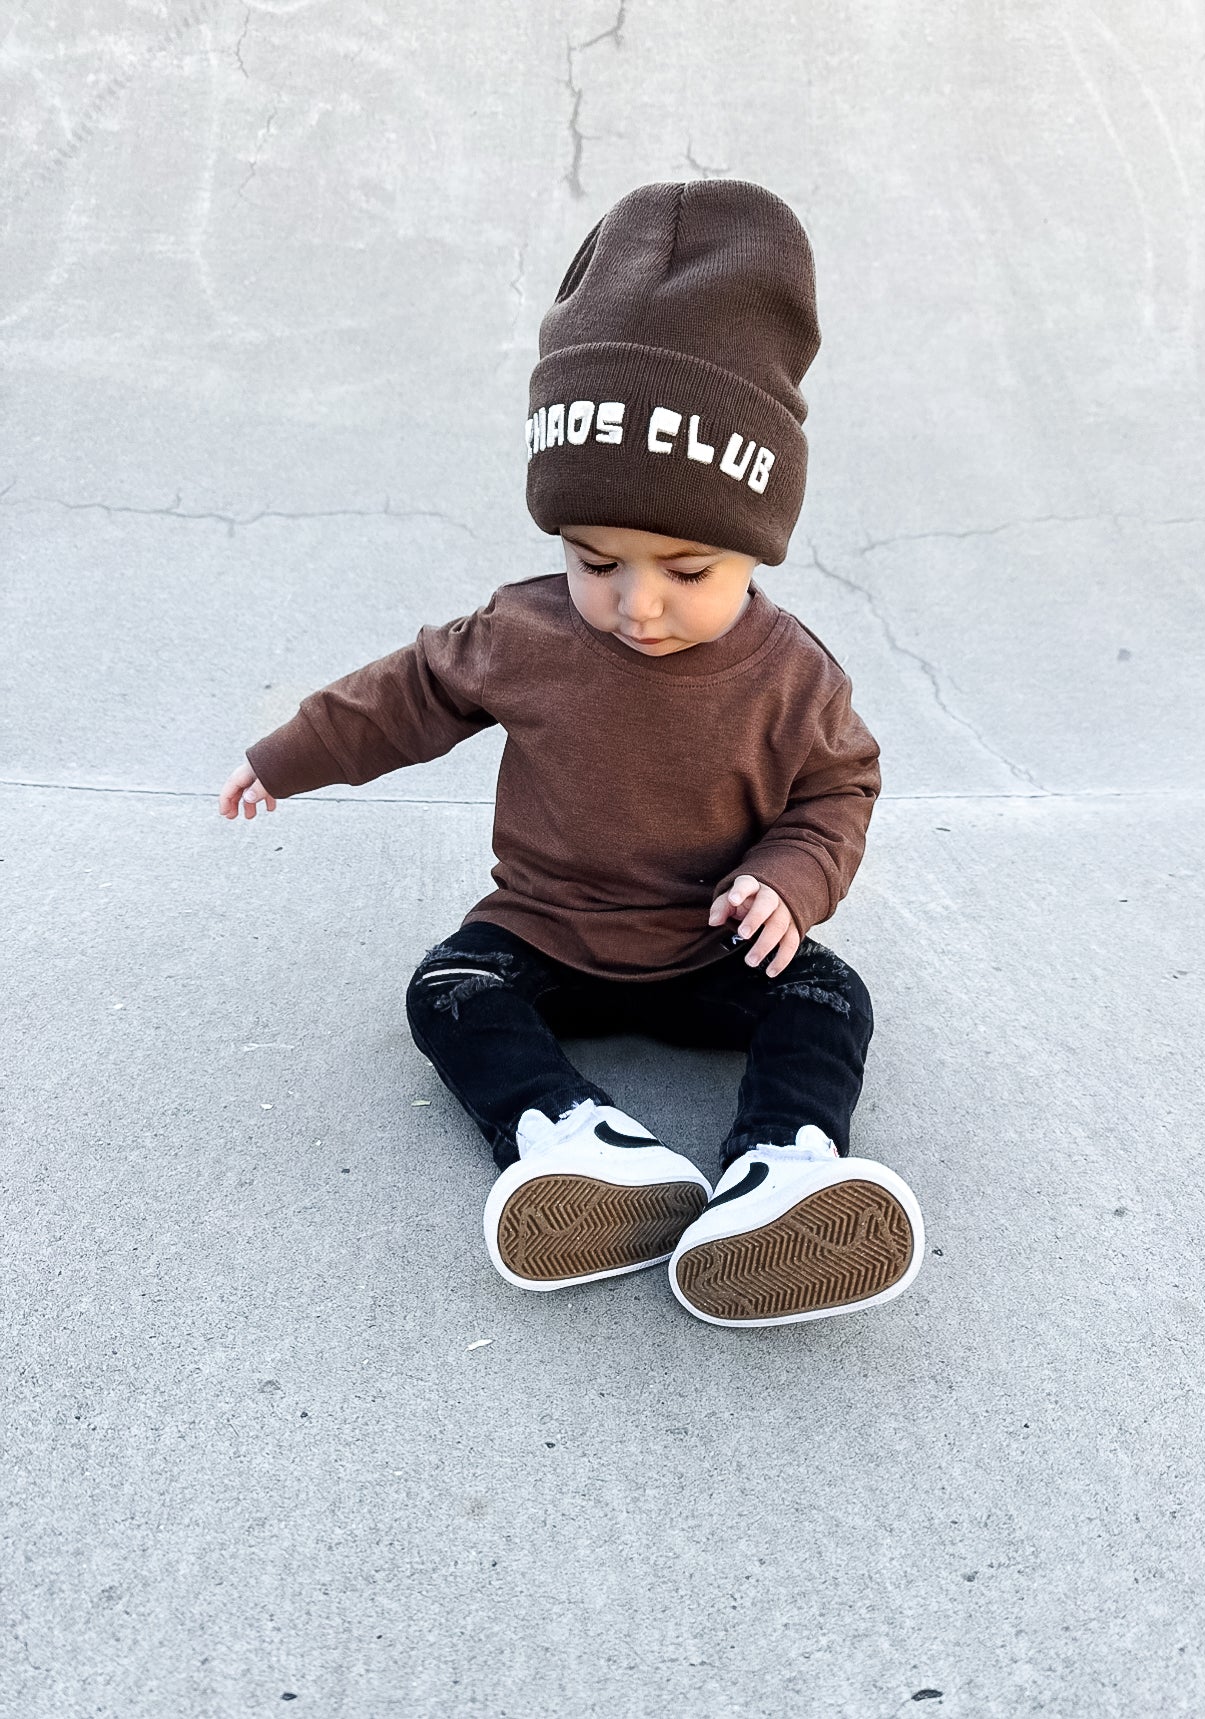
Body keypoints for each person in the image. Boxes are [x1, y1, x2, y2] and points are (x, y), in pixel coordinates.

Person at [219, 179, 925, 1328]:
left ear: (755, 547)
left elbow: (839, 790)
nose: (636, 602)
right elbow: (407, 694)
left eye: (686, 571)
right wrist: (288, 754)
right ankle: (572, 1137)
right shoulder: (526, 634)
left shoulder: (794, 676)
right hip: (546, 931)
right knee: (448, 991)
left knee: (831, 998)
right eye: (596, 561)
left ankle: (783, 1168)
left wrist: (789, 881)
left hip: (709, 947)